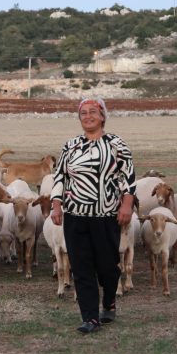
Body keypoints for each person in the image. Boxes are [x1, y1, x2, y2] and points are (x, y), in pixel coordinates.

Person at [50, 97, 136, 334]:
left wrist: (126, 205)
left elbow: (127, 178)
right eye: (83, 113)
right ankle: (90, 317)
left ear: (102, 116)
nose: (88, 116)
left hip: (106, 215)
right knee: (81, 266)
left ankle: (109, 301)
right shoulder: (70, 146)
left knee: (108, 267)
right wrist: (56, 206)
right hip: (76, 215)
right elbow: (60, 178)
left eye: (93, 112)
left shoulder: (117, 144)